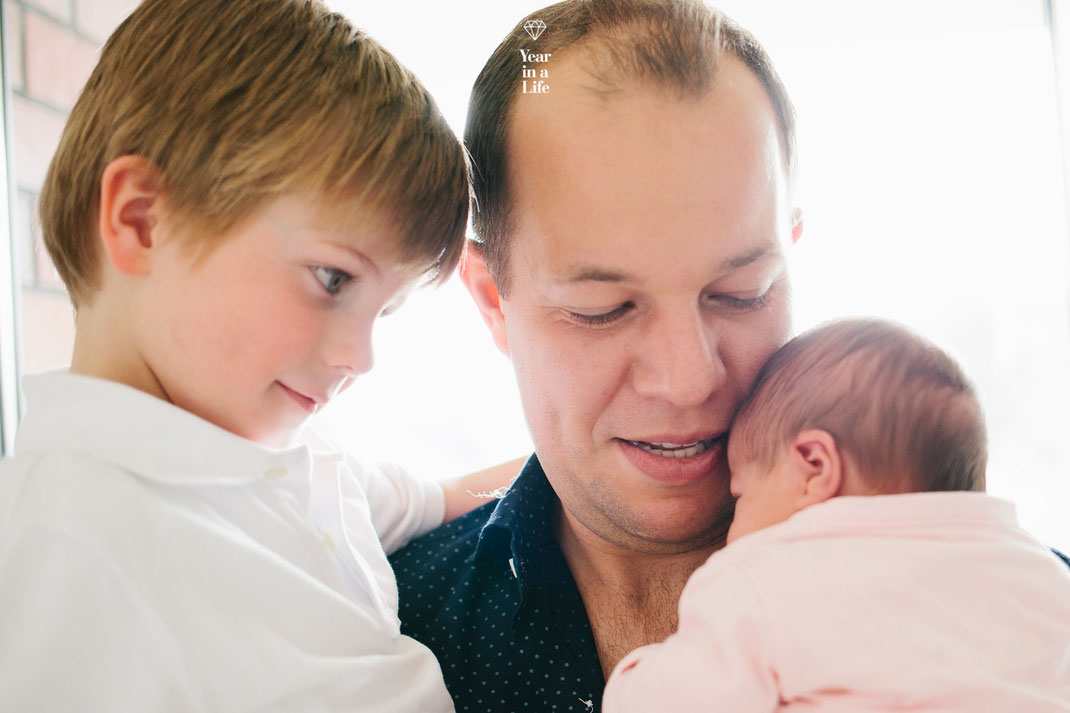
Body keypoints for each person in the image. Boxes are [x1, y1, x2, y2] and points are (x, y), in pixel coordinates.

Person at [0, 1, 513, 710]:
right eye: (333, 279)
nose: (362, 359)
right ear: (143, 221)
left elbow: (455, 496)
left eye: (385, 312)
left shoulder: (292, 460)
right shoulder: (60, 548)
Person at [390, 2, 802, 711]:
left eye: (741, 293)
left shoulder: (996, 605)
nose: (688, 379)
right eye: (602, 310)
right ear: (493, 300)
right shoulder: (381, 629)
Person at [602, 318, 1070, 712]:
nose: (733, 527)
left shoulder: (763, 576)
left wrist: (633, 679)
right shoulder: (1044, 575)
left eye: (742, 495)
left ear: (814, 467)